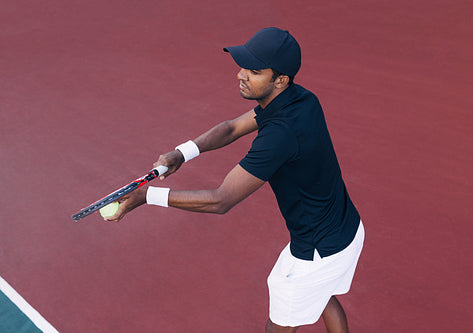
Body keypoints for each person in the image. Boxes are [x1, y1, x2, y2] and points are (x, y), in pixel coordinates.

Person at [106, 27, 364, 333]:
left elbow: (220, 200)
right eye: (243, 66)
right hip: (348, 229)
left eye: (254, 71)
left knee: (279, 326)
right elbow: (231, 128)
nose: (241, 74)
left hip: (317, 250)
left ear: (279, 80)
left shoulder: (280, 136)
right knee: (321, 296)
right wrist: (182, 153)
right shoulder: (300, 99)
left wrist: (145, 197)